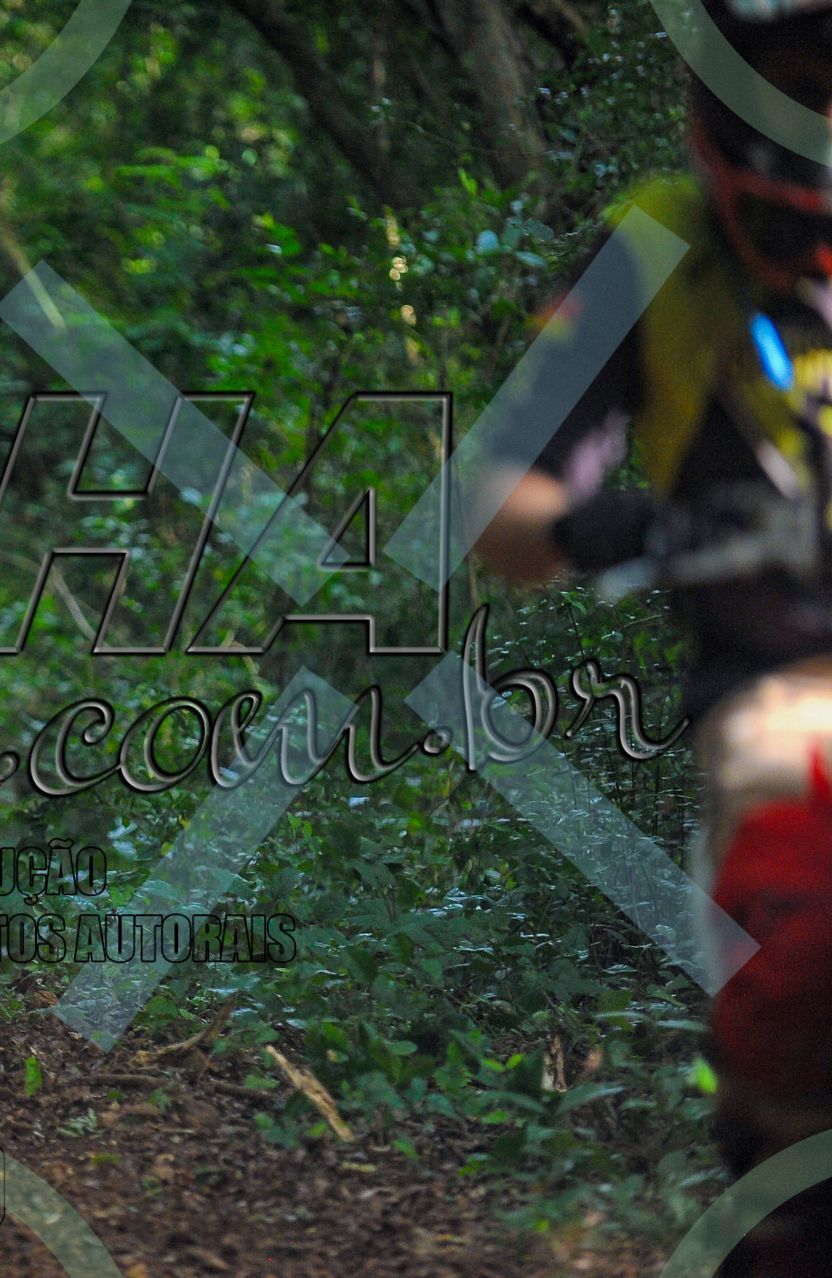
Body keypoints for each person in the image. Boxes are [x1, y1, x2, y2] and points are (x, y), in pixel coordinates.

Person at [471, 3, 832, 1270]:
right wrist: (599, 525)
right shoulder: (652, 250)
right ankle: (783, 1181)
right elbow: (495, 500)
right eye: (798, 82)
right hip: (780, 683)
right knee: (797, 849)